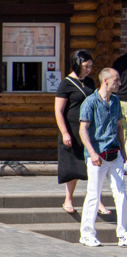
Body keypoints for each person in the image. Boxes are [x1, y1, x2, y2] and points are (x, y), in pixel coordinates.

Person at [77, 67, 127, 247]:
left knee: (121, 193)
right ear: (105, 81)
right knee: (93, 194)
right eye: (116, 80)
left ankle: (123, 233)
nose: (119, 83)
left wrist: (123, 149)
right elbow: (83, 129)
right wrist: (91, 152)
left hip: (115, 154)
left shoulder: (115, 101)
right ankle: (87, 234)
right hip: (97, 155)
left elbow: (119, 126)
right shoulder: (90, 102)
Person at [54, 49, 102, 214]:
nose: (89, 69)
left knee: (93, 164)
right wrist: (65, 132)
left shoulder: (89, 82)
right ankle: (68, 199)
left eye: (90, 66)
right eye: (86, 66)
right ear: (77, 65)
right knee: (72, 164)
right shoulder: (66, 83)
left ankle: (98, 200)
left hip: (88, 128)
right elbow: (59, 111)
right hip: (71, 129)